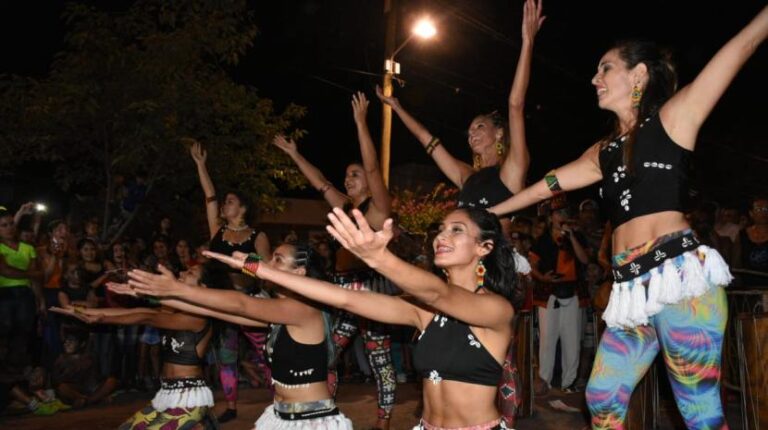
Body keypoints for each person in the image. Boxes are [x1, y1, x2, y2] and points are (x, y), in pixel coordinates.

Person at [489, 6, 768, 428]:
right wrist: (492, 212)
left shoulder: (675, 118)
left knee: (699, 410)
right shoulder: (603, 151)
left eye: (606, 68)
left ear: (638, 75)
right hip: (630, 291)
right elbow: (548, 184)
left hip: (680, 282)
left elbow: (741, 45)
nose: (594, 78)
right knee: (601, 399)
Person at [205, 207, 518, 430]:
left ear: (484, 247)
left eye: (456, 230)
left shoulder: (496, 309)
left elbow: (439, 294)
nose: (441, 236)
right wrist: (257, 269)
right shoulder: (424, 311)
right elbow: (346, 298)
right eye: (441, 229)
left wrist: (377, 257)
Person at [117, 244, 354, 430]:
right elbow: (218, 311)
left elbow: (241, 304)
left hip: (310, 421)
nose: (268, 264)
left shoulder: (303, 309)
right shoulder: (280, 310)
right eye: (270, 258)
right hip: (282, 415)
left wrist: (177, 288)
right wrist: (152, 295)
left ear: (299, 273)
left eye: (277, 260)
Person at [273, 91, 396, 429]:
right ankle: (323, 413)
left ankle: (383, 425)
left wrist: (360, 123)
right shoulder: (343, 205)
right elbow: (320, 182)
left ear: (368, 183)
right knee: (325, 355)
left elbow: (372, 167)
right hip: (341, 292)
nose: (348, 178)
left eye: (354, 174)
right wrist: (295, 154)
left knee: (380, 361)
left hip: (371, 291)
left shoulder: (378, 207)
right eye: (347, 174)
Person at [375, 0, 543, 215]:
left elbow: (515, 105)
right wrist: (396, 106)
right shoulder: (466, 175)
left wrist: (528, 42)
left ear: (499, 133)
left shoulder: (513, 168)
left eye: (480, 126)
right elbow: (427, 139)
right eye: (471, 130)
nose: (472, 133)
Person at [51, 265, 219, 429]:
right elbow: (134, 312)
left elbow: (146, 317)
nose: (181, 272)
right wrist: (83, 313)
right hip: (167, 393)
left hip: (188, 397)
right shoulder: (173, 310)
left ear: (203, 287)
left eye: (190, 272)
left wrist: (102, 319)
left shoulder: (199, 317)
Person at [188, 138, 271, 423]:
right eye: (225, 202)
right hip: (223, 303)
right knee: (227, 356)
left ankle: (281, 399)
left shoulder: (257, 236)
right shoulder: (218, 231)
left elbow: (268, 270)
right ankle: (232, 406)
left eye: (231, 202)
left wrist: (244, 265)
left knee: (266, 354)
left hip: (249, 304)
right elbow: (209, 197)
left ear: (244, 208)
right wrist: (201, 165)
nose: (225, 205)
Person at [0, 206, 43, 368]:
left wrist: (40, 301)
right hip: (4, 294)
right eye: (3, 225)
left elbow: (36, 279)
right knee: (5, 333)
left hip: (26, 295)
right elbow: (5, 271)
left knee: (23, 334)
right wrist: (32, 274)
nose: (9, 228)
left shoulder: (28, 247)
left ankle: (17, 373)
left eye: (11, 224)